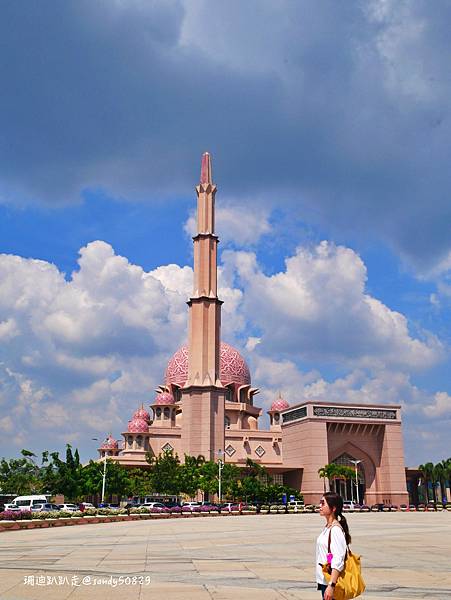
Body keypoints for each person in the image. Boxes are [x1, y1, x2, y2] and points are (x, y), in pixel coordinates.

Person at [316, 492, 351, 599]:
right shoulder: (328, 527)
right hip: (325, 580)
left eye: (323, 503)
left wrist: (331, 585)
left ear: (333, 508)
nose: (320, 506)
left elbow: (338, 559)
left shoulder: (335, 530)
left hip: (330, 582)